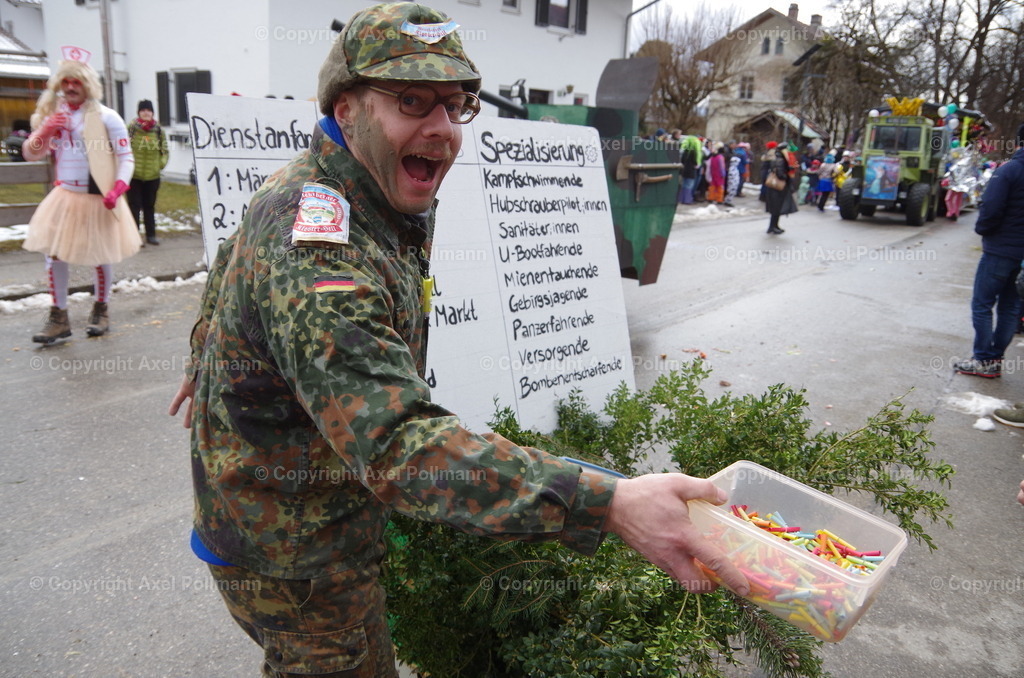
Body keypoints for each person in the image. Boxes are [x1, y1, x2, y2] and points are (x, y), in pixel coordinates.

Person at [167, 4, 748, 675]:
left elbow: (232, 261)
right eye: (412, 101)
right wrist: (610, 503)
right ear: (347, 108)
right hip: (295, 556)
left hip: (307, 524)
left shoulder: (335, 183)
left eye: (455, 104)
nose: (440, 128)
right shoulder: (319, 243)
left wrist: (207, 347)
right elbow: (396, 444)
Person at [21, 46, 138, 343]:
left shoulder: (107, 117)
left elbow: (126, 157)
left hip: (97, 197)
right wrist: (45, 132)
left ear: (87, 84)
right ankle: (58, 316)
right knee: (55, 256)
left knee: (101, 255)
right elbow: (30, 155)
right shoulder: (51, 116)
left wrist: (118, 187)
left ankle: (101, 309)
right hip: (64, 197)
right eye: (66, 82)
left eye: (77, 82)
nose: (71, 88)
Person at [953, 134, 1024, 378]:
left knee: (983, 304)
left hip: (1000, 250)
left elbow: (991, 208)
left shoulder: (1008, 171)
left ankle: (983, 358)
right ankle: (995, 359)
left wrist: (983, 230)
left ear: (1018, 143)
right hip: (1020, 257)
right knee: (1010, 306)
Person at [127, 99, 168, 246]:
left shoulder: (158, 130)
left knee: (149, 206)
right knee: (134, 206)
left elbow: (165, 151)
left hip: (152, 176)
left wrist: (160, 165)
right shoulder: (131, 128)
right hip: (134, 175)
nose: (146, 113)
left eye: (148, 110)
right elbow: (122, 148)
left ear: (152, 113)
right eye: (143, 110)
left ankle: (151, 235)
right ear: (139, 112)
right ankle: (134, 237)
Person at [764, 143, 797, 234]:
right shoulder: (781, 161)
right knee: (776, 208)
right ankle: (773, 227)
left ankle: (774, 226)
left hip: (775, 188)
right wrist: (787, 176)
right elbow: (780, 174)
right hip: (778, 188)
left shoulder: (777, 159)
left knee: (776, 208)